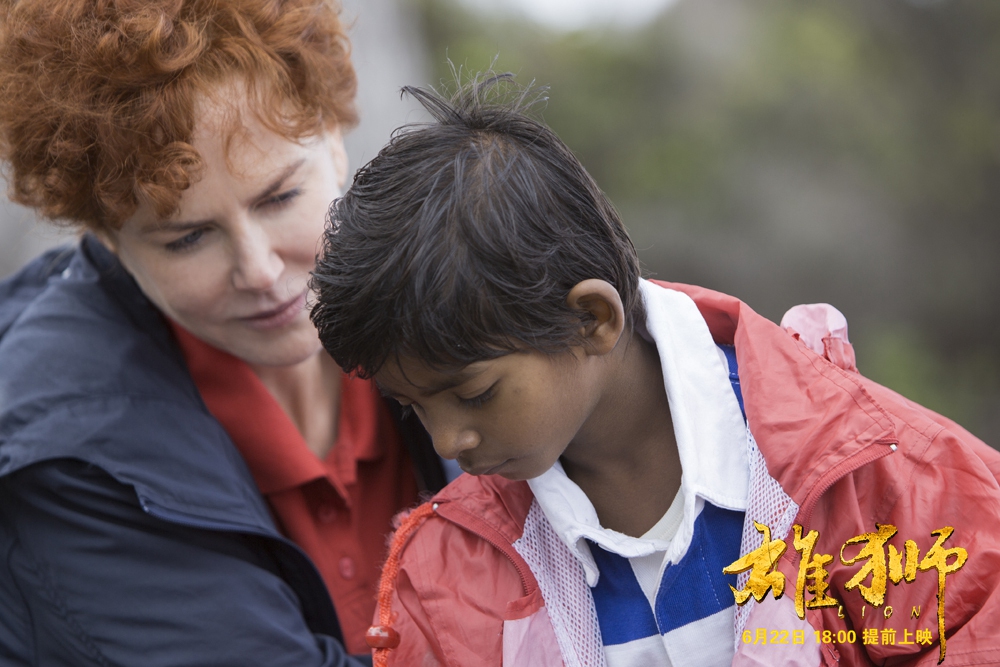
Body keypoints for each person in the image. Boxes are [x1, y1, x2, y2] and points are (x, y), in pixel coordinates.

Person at [309, 74, 1000, 667]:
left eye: (473, 393)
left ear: (592, 320)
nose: (446, 440)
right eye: (414, 407)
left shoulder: (867, 472)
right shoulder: (446, 576)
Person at [0, 1, 446, 665]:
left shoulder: (457, 306)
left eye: (279, 197)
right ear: (107, 240)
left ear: (333, 141)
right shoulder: (65, 451)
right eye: (188, 237)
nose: (261, 270)